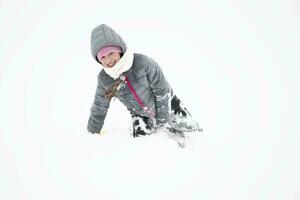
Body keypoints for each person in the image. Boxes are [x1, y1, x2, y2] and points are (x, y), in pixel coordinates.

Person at [87, 24, 201, 138]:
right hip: (140, 115)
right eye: (102, 57)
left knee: (193, 137)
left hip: (170, 105)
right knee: (143, 148)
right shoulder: (105, 79)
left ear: (120, 50)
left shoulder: (143, 63)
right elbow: (99, 107)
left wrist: (162, 121)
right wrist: (91, 134)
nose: (108, 60)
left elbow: (162, 91)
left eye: (111, 53)